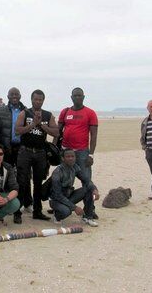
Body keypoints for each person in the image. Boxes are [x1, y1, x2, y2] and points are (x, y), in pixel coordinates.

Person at [13, 89, 59, 223]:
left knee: (38, 182)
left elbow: (56, 132)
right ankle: (17, 212)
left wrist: (41, 126)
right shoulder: (25, 113)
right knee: (22, 182)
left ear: (43, 100)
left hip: (40, 153)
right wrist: (33, 124)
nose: (38, 101)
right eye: (36, 99)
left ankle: (37, 211)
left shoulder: (47, 115)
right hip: (25, 151)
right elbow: (17, 131)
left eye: (40, 99)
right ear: (31, 99)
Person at [57, 87, 99, 219]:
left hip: (81, 152)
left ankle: (89, 209)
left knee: (86, 181)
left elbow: (94, 135)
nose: (77, 98)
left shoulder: (90, 113)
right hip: (65, 151)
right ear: (71, 97)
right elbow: (58, 132)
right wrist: (54, 149)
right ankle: (60, 205)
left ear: (84, 97)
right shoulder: (65, 112)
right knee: (63, 181)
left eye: (80, 96)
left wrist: (91, 154)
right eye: (75, 96)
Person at [50, 149, 99, 227]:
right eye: (68, 156)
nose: (71, 158)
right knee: (66, 211)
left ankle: (88, 216)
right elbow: (57, 195)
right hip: (56, 200)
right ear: (63, 158)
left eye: (72, 156)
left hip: (69, 195)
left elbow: (86, 180)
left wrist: (94, 189)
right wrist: (74, 207)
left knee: (88, 189)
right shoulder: (57, 172)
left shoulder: (75, 167)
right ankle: (57, 215)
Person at [0, 87, 26, 167]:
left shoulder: (26, 111)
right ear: (8, 97)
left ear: (20, 96)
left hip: (21, 148)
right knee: (6, 173)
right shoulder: (0, 111)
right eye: (12, 94)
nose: (14, 96)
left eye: (16, 94)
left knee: (21, 174)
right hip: (5, 148)